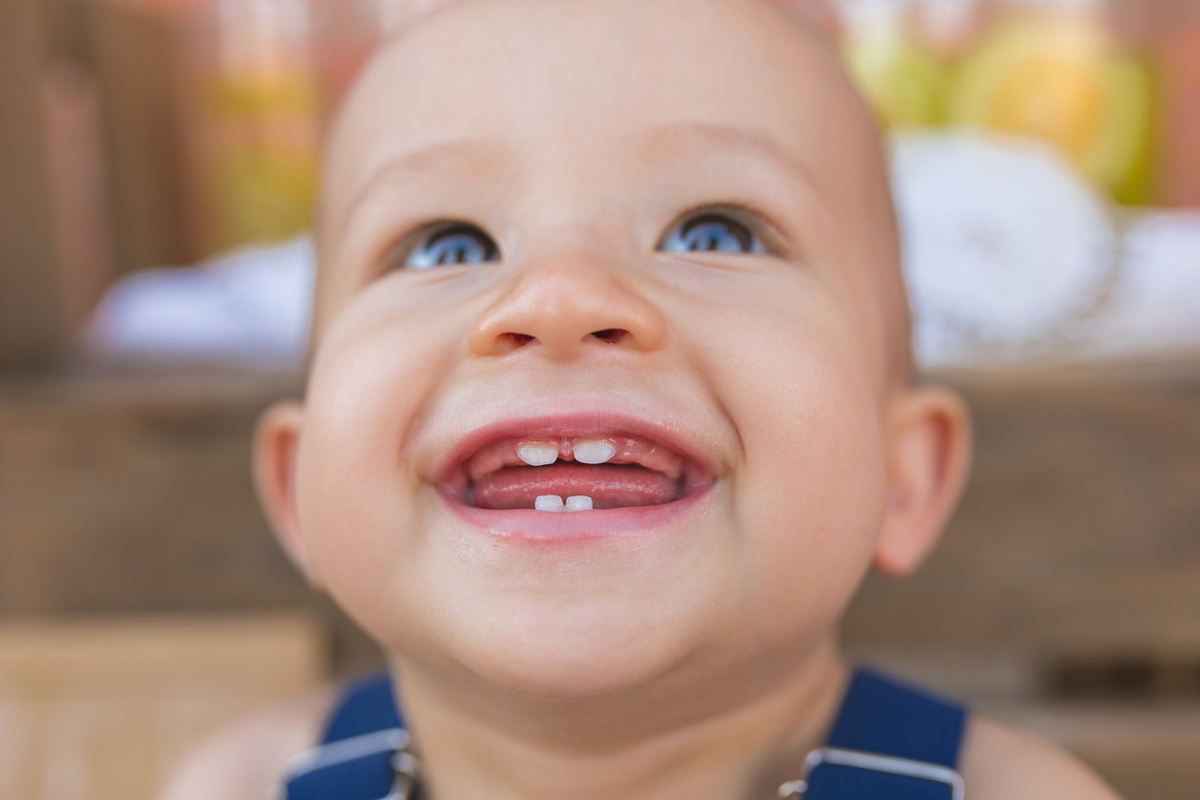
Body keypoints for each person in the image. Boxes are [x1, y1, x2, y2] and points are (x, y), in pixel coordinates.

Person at [162, 1, 1120, 797]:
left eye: (716, 232)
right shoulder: (241, 785)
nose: (560, 297)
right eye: (446, 245)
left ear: (902, 478)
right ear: (298, 493)